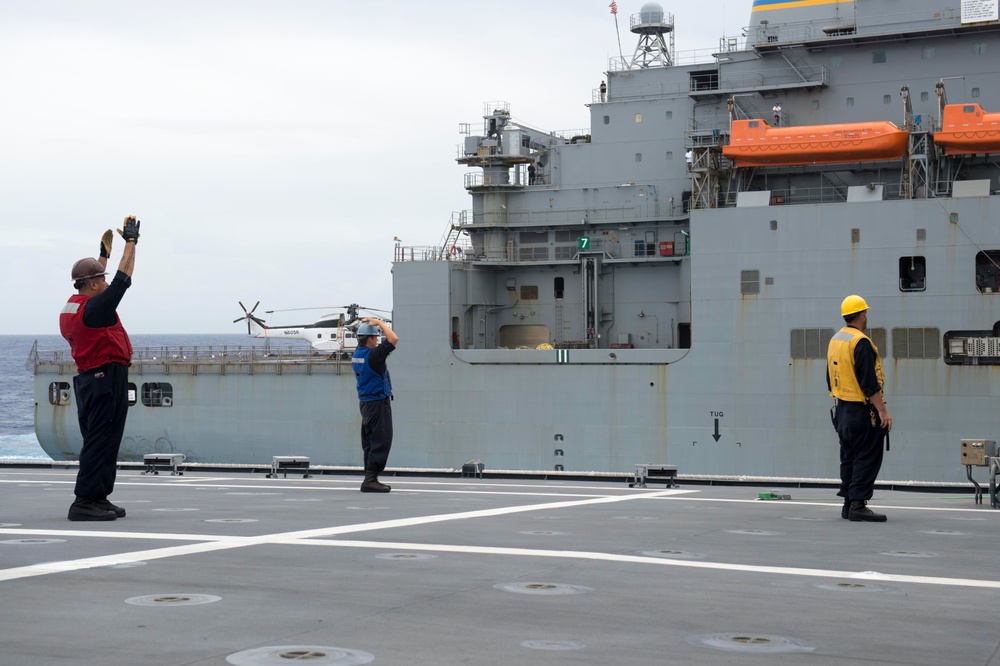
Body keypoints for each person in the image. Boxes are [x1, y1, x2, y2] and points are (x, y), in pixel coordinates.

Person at [59, 216, 140, 521]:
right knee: (100, 440)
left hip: (91, 379)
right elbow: (122, 279)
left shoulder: (74, 305)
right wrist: (131, 242)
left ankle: (99, 497)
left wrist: (102, 254)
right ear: (93, 285)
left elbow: (101, 281)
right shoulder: (95, 309)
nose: (106, 284)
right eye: (100, 280)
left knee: (103, 438)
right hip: (104, 378)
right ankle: (84, 501)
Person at [826, 295, 892, 522]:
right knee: (867, 457)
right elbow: (869, 383)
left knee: (849, 456)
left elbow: (829, 378)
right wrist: (882, 411)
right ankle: (858, 505)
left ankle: (847, 504)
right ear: (861, 315)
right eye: (865, 312)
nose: (866, 316)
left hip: (842, 411)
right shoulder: (860, 343)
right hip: (862, 412)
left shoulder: (836, 340)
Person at [352, 317, 398, 492]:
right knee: (381, 440)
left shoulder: (357, 354)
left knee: (370, 442)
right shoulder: (373, 356)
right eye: (376, 338)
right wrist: (379, 323)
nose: (378, 340)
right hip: (378, 403)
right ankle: (370, 480)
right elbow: (394, 339)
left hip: (365, 403)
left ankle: (369, 477)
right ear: (370, 339)